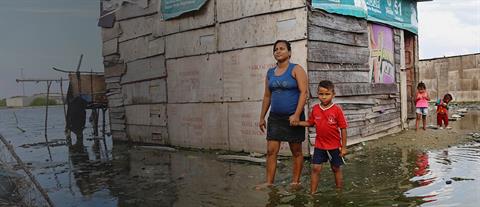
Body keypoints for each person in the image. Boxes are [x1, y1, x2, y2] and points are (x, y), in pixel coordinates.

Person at [258, 40, 308, 188]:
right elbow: (267, 96)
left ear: (289, 53)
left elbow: (304, 93)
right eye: (276, 49)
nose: (278, 51)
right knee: (271, 151)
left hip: (293, 117)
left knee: (296, 151)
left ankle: (295, 182)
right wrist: (262, 117)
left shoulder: (296, 69)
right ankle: (269, 182)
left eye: (282, 49)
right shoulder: (269, 73)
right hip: (275, 118)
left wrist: (297, 115)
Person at [294, 80, 348, 194]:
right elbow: (310, 123)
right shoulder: (315, 109)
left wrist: (343, 147)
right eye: (321, 94)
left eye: (327, 94)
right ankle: (312, 193)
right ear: (317, 94)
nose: (324, 97)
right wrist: (297, 122)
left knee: (336, 168)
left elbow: (343, 128)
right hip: (320, 145)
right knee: (315, 168)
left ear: (333, 94)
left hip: (334, 146)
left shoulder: (337, 110)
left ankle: (339, 191)